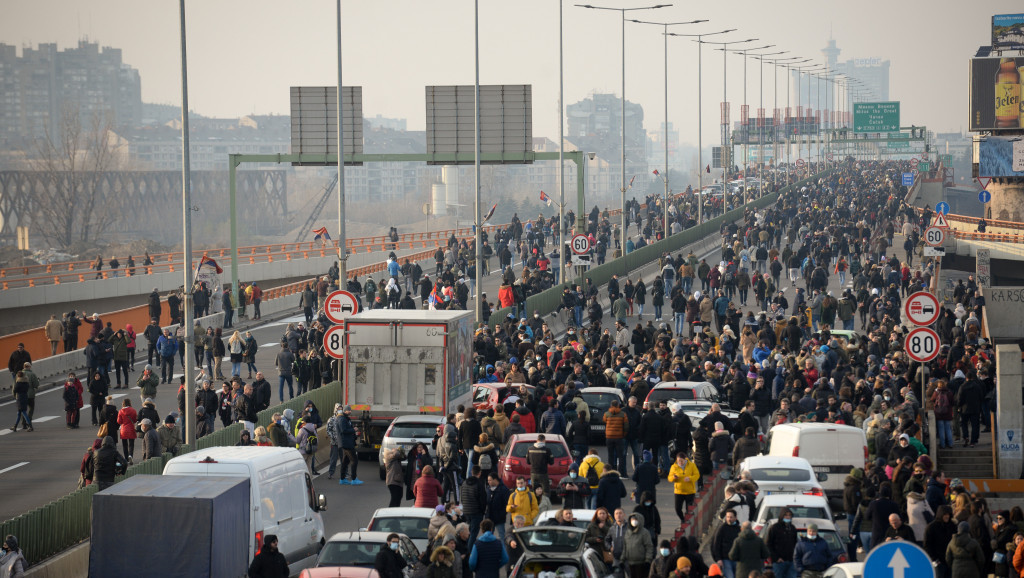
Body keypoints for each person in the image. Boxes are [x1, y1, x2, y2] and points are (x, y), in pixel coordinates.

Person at [766, 507, 799, 578]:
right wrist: (776, 558)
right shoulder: (774, 528)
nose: (788, 517)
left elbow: (796, 544)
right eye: (786, 515)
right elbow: (768, 544)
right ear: (781, 516)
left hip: (791, 561)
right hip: (779, 562)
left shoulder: (792, 528)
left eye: (789, 515)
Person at [667, 452, 699, 526]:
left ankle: (688, 523)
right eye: (678, 461)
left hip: (690, 491)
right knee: (677, 508)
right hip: (679, 492)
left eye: (681, 461)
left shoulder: (691, 465)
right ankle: (682, 519)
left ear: (685, 460)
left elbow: (697, 475)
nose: (680, 463)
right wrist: (673, 478)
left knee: (689, 510)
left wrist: (690, 478)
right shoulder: (674, 467)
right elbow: (669, 478)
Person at [460, 466, 487, 551]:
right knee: (473, 533)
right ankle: (469, 551)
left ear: (472, 472)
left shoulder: (464, 483)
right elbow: (483, 499)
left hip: (466, 511)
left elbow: (462, 497)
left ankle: (467, 549)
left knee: (468, 532)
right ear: (479, 473)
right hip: (476, 512)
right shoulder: (479, 484)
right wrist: (483, 511)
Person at [710, 509, 742, 578]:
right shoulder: (721, 529)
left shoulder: (739, 529)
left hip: (737, 559)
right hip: (725, 559)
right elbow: (716, 544)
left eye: (731, 517)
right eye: (727, 517)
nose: (729, 519)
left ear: (735, 518)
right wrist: (718, 559)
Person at [622, 512, 655, 578]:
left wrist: (648, 560)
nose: (634, 521)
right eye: (632, 520)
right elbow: (625, 546)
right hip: (630, 563)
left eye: (635, 520)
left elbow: (649, 547)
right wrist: (622, 559)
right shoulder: (628, 532)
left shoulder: (644, 532)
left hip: (641, 563)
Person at [337, 405, 361, 485]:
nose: (350, 412)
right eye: (349, 410)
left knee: (345, 461)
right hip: (347, 443)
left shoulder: (345, 419)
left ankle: (342, 478)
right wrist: (353, 430)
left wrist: (353, 430)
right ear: (345, 411)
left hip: (347, 442)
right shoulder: (342, 419)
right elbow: (343, 430)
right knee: (354, 460)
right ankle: (354, 479)